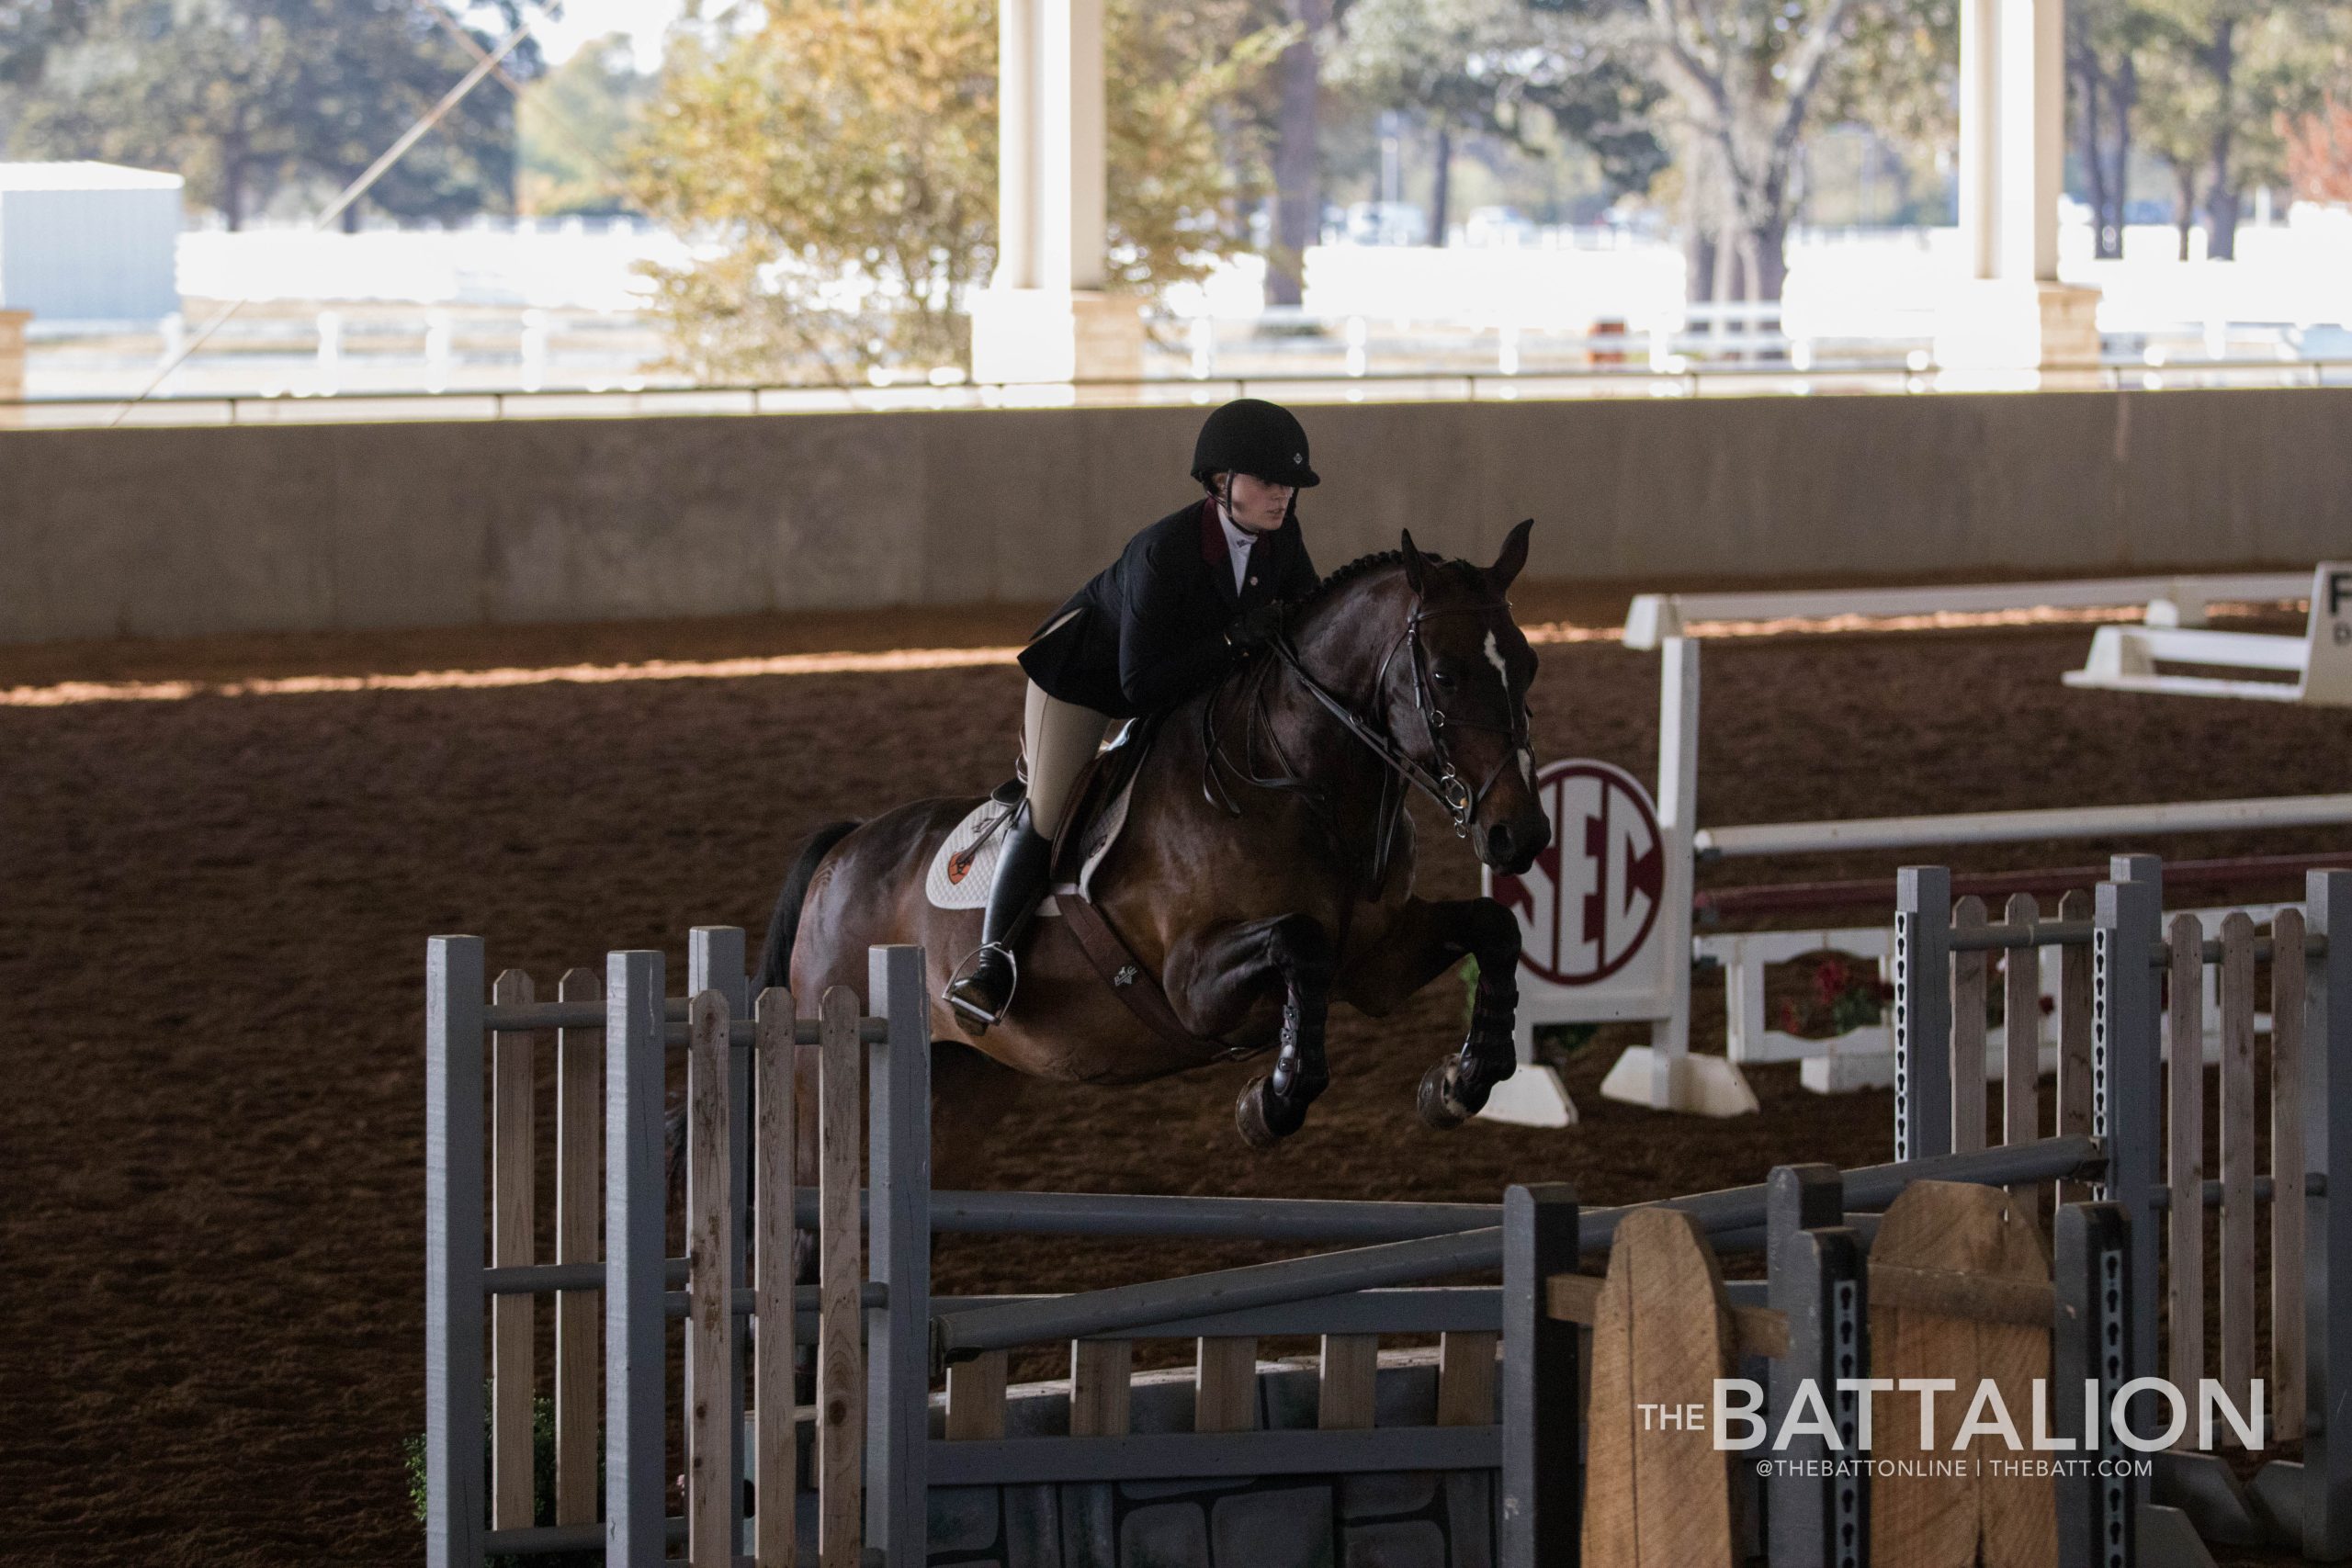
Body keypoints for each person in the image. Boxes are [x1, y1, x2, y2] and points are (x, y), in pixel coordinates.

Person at [944, 398, 1324, 1032]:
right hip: (1087, 678)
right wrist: (1235, 642)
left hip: (1186, 678)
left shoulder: (1282, 537)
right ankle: (991, 962)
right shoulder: (1164, 552)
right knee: (1051, 804)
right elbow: (1140, 684)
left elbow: (1305, 623)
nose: (1281, 496)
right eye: (1266, 481)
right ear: (1220, 483)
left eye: (1289, 483)